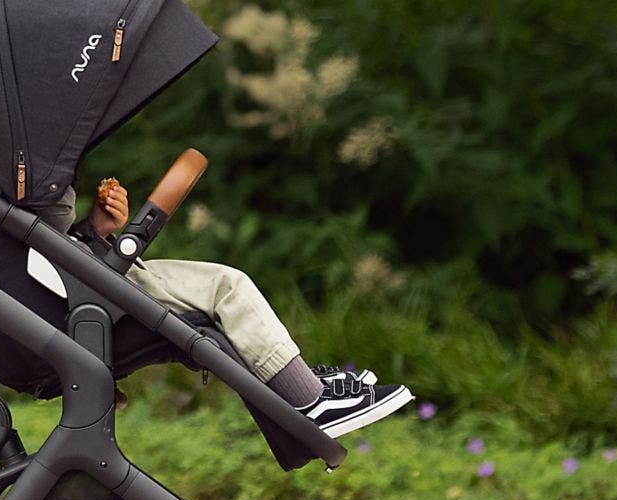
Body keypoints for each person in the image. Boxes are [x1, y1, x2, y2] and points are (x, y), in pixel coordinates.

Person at [43, 176, 415, 439]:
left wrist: (94, 229)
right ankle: (310, 401)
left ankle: (303, 383)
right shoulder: (26, 164)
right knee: (225, 287)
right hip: (75, 290)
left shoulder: (15, 174)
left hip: (68, 275)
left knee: (221, 289)